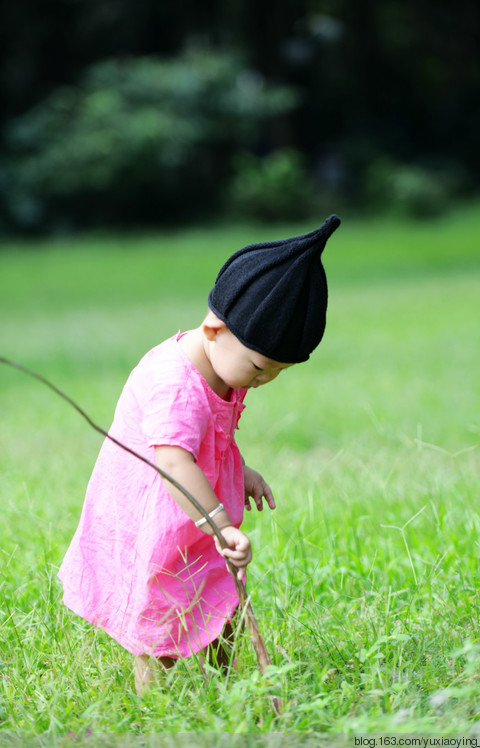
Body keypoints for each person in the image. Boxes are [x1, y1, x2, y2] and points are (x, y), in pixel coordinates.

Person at [57, 214, 341, 694]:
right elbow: (173, 462)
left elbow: (214, 432)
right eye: (258, 366)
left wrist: (240, 467)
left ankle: (223, 681)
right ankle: (154, 696)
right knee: (164, 601)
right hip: (162, 509)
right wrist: (222, 524)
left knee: (217, 592)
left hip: (198, 506)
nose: (263, 380)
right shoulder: (174, 384)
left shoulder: (224, 368)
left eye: (277, 372)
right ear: (214, 329)